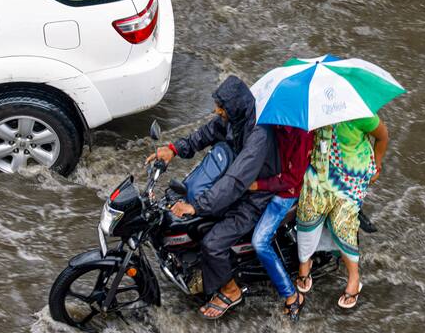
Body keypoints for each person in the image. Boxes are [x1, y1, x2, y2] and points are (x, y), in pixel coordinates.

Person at [146, 76, 279, 319]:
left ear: (236, 106)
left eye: (222, 107)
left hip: (255, 196)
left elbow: (236, 181)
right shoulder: (235, 119)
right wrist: (174, 149)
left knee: (213, 242)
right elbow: (207, 132)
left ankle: (231, 290)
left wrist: (197, 207)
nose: (218, 111)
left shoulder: (258, 136)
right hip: (238, 182)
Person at [295, 114, 389, 309]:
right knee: (307, 210)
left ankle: (354, 278)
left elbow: (382, 137)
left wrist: (377, 166)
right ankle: (305, 262)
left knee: (341, 224)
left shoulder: (362, 114)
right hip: (321, 168)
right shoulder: (317, 110)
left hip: (351, 176)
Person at [249, 125, 314, 320]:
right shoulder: (270, 125)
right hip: (269, 180)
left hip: (286, 191)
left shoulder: (303, 134)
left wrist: (258, 185)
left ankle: (292, 295)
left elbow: (293, 179)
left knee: (259, 242)